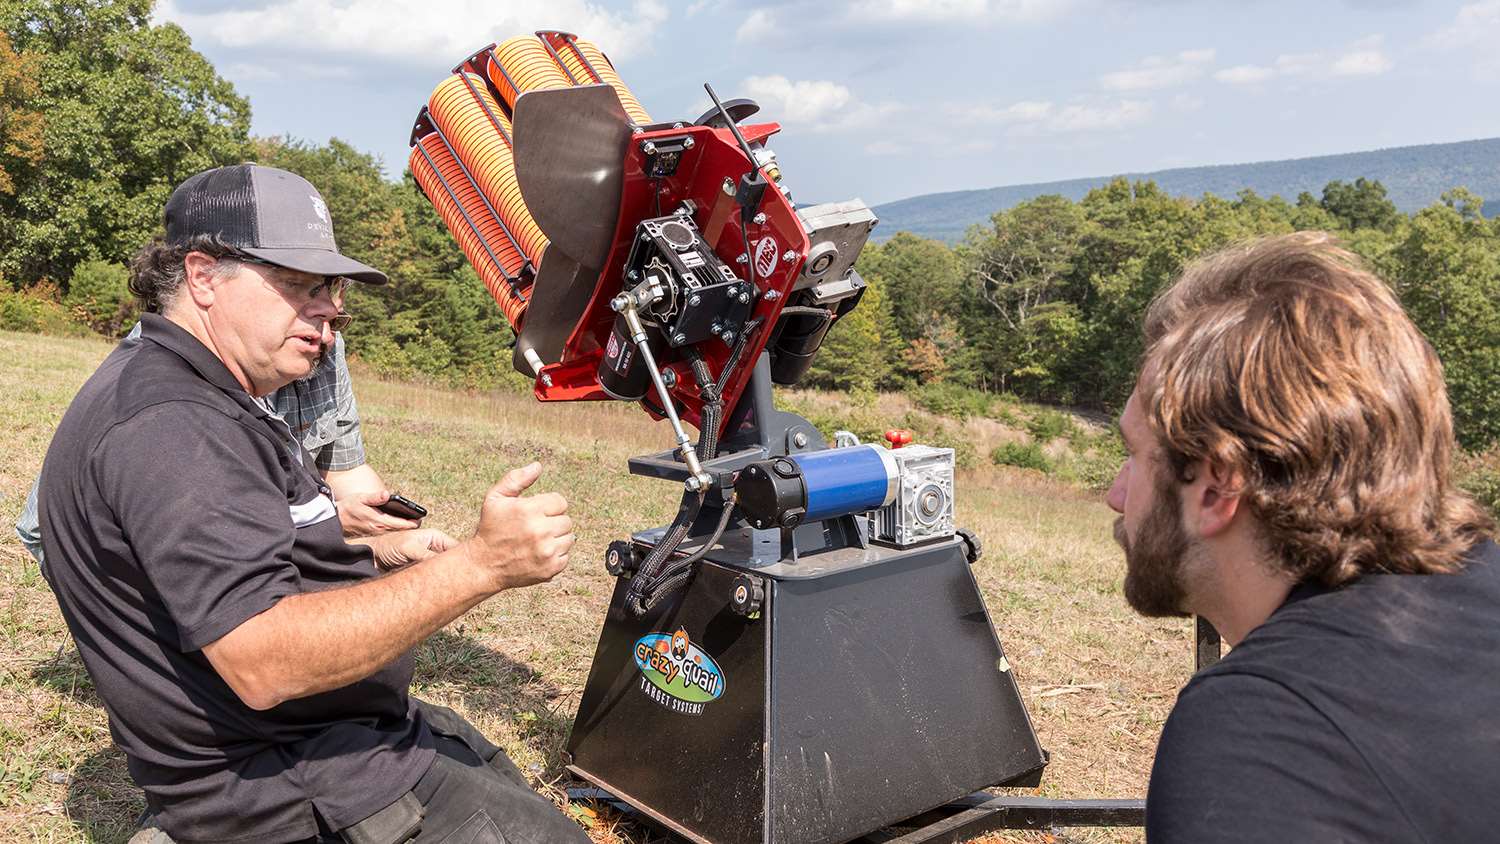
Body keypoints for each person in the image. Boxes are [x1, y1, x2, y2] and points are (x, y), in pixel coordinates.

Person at [37, 164, 590, 843]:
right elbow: (266, 659)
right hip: (300, 792)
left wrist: (369, 538)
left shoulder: (197, 389)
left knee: (492, 773)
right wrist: (482, 565)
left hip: (327, 746)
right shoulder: (174, 426)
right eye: (298, 284)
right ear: (204, 277)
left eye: (328, 287)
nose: (331, 307)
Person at [1105, 232, 1498, 842]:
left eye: (1134, 455)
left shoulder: (1263, 735)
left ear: (1216, 488)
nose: (1115, 492)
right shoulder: (1482, 581)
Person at [15, 326, 418, 567]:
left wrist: (388, 526)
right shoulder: (171, 363)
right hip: (116, 553)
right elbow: (199, 523)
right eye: (303, 288)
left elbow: (346, 470)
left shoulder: (325, 343)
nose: (326, 329)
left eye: (334, 307)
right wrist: (327, 523)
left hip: (241, 541)